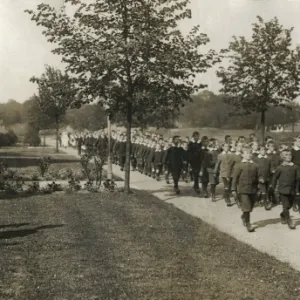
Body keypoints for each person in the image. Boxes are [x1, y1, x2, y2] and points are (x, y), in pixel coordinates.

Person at [271, 149, 299, 229]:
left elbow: (297, 179)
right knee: (285, 206)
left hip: (292, 190)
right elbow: (274, 177)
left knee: (289, 205)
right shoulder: (280, 168)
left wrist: (297, 190)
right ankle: (289, 221)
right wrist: (273, 188)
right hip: (282, 189)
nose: (289, 156)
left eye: (290, 155)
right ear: (283, 157)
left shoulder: (295, 167)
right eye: (286, 155)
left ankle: (283, 215)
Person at [232, 147, 258, 233]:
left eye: (250, 153)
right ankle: (248, 223)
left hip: (253, 189)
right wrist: (233, 189)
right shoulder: (239, 165)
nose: (248, 155)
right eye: (246, 153)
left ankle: (244, 216)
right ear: (242, 154)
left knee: (250, 207)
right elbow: (235, 178)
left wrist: (260, 182)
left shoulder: (255, 165)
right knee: (246, 206)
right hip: (243, 189)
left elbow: (258, 176)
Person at [254, 145, 272, 210]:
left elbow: (270, 167)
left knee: (266, 190)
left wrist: (272, 171)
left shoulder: (268, 158)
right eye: (261, 150)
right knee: (263, 190)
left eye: (264, 150)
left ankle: (260, 200)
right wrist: (258, 177)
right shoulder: (256, 159)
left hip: (267, 177)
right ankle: (266, 204)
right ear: (258, 151)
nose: (263, 151)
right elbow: (255, 169)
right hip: (260, 177)